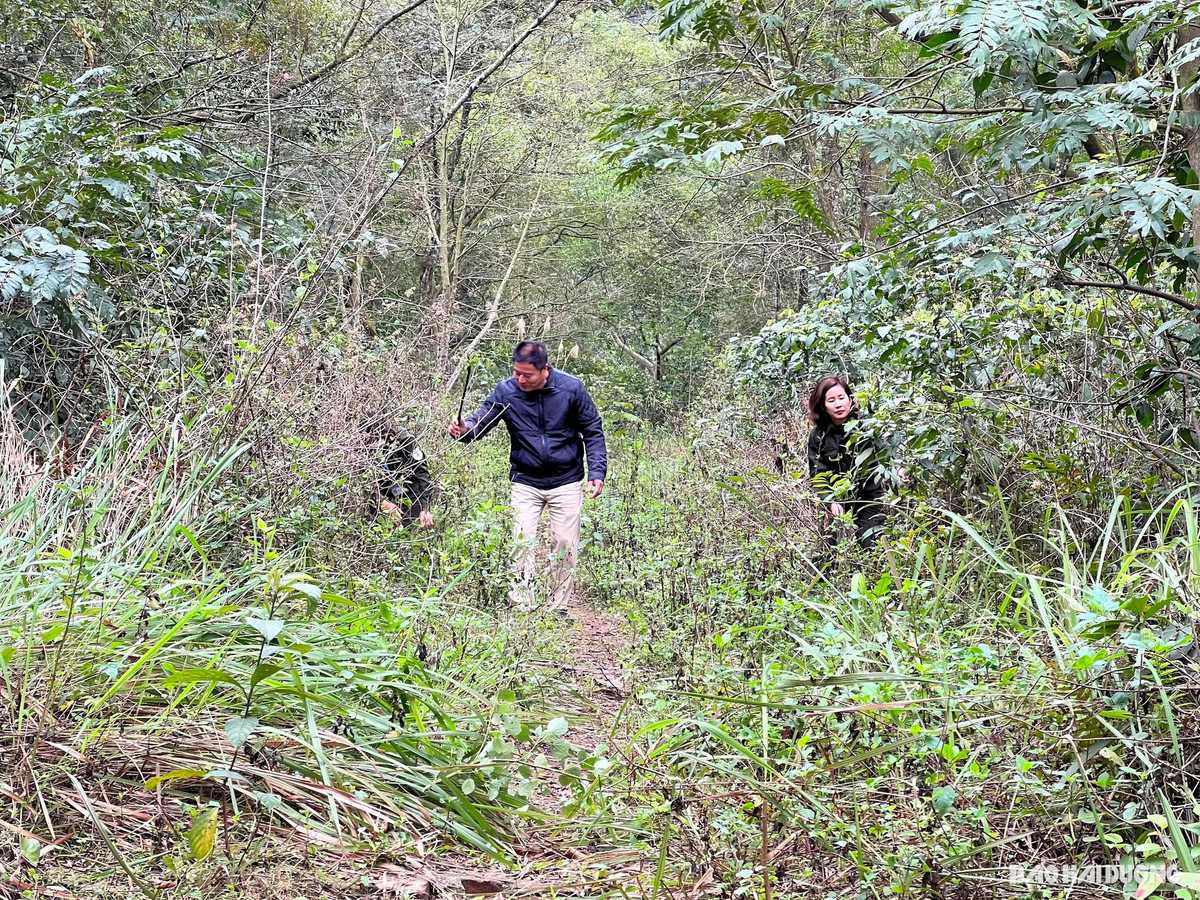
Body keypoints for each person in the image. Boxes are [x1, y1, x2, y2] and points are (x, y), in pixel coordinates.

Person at [449, 340, 607, 615]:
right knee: (522, 540)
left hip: (567, 479)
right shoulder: (507, 391)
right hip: (525, 480)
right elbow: (479, 423)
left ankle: (557, 608)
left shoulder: (571, 388)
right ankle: (523, 606)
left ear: (544, 369)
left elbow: (592, 430)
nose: (520, 379)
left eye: (527, 375)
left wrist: (597, 471)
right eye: (516, 373)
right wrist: (464, 429)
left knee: (565, 544)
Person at [806, 375, 887, 548]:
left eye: (842, 398)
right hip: (835, 497)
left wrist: (900, 470)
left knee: (872, 545)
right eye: (831, 400)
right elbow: (817, 474)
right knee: (827, 550)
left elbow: (888, 455)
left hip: (868, 497)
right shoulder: (818, 437)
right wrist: (830, 500)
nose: (838, 404)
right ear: (823, 406)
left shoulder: (867, 427)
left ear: (850, 399)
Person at [364, 415, 435, 529]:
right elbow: (364, 483)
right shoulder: (361, 446)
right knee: (377, 527)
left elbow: (422, 473)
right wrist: (383, 502)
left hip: (406, 484)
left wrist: (425, 508)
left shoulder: (404, 438)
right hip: (380, 489)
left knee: (409, 527)